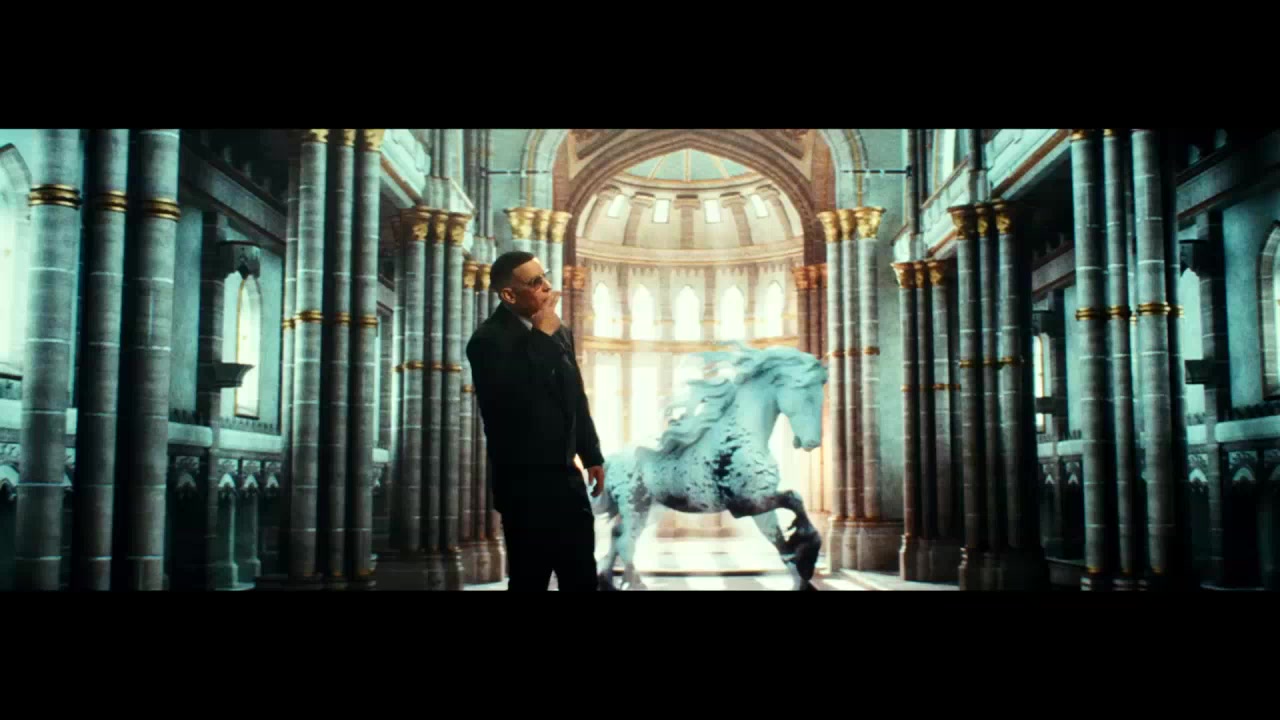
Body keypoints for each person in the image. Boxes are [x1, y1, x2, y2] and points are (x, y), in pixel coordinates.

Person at [466, 250, 606, 591]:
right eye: (535, 282)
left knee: (582, 579)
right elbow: (515, 404)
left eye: (545, 277)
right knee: (530, 580)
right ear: (509, 295)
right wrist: (542, 336)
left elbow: (575, 397)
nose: (547, 287)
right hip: (524, 488)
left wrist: (591, 454)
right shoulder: (487, 341)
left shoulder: (559, 332)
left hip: (567, 483)